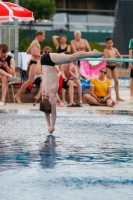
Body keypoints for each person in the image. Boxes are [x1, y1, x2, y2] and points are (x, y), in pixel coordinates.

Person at [40, 49, 104, 134]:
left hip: (49, 60)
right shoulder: (43, 94)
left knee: (72, 57)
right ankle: (92, 53)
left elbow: (53, 113)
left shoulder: (51, 94)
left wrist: (52, 126)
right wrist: (48, 126)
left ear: (49, 103)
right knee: (71, 58)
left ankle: (93, 53)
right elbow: (46, 110)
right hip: (45, 61)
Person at [15, 30, 45, 104]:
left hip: (32, 61)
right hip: (33, 62)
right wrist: (42, 55)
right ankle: (17, 95)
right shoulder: (35, 42)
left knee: (30, 80)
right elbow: (33, 53)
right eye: (43, 36)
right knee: (30, 80)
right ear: (39, 35)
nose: (44, 38)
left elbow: (28, 51)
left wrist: (37, 53)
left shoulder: (34, 42)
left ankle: (17, 95)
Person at [104, 36, 124, 101]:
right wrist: (117, 62)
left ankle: (117, 97)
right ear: (106, 44)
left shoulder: (115, 49)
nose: (110, 44)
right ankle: (108, 96)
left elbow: (119, 55)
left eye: (111, 42)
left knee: (117, 81)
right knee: (109, 82)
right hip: (109, 67)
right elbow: (107, 60)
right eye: (108, 43)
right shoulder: (105, 50)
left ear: (113, 43)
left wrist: (121, 60)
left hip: (114, 66)